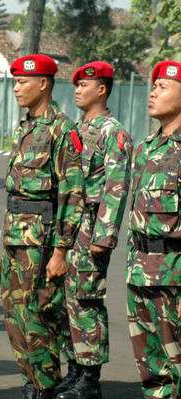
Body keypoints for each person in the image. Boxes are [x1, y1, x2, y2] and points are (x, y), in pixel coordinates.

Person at [1, 54, 85, 399]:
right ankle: (32, 382)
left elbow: (72, 192)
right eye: (15, 81)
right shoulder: (26, 127)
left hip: (42, 242)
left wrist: (61, 250)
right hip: (14, 236)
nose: (17, 87)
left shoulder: (62, 129)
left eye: (23, 81)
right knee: (15, 317)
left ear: (44, 83)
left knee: (39, 317)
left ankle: (45, 386)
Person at [56, 62, 133, 399]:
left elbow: (116, 186)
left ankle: (90, 377)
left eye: (84, 85)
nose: (77, 90)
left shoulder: (111, 131)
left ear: (101, 89)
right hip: (68, 224)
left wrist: (104, 236)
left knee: (86, 300)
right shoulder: (76, 127)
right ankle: (74, 367)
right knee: (66, 301)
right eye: (75, 85)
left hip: (90, 226)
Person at [126, 60, 181, 399]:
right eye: (153, 85)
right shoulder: (146, 147)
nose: (152, 93)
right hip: (140, 273)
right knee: (151, 369)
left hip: (175, 276)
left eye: (163, 87)